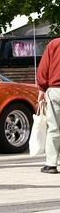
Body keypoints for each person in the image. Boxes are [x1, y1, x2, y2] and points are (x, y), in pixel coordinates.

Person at [37, 36, 60, 174]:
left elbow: (43, 68)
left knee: (54, 128)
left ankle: (51, 164)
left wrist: (41, 88)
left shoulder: (54, 44)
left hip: (56, 90)